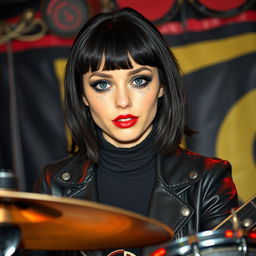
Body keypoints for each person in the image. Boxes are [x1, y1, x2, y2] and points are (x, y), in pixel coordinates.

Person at [34, 7, 238, 256]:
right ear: (82, 96)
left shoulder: (209, 180)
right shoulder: (54, 186)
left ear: (162, 86)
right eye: (103, 84)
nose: (122, 101)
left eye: (138, 80)